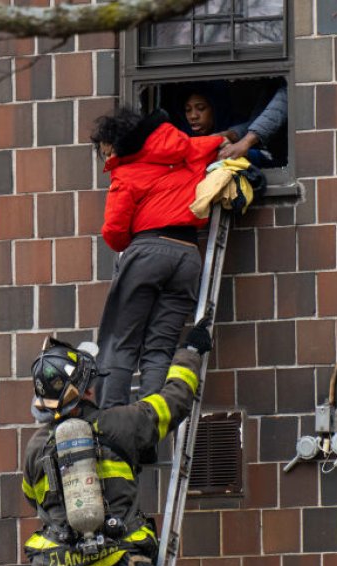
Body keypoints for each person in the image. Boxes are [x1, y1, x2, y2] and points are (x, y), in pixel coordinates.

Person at [22, 322, 213, 566]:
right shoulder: (121, 424)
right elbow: (173, 403)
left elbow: (33, 499)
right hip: (116, 565)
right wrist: (192, 352)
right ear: (87, 390)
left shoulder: (35, 448)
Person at [90, 107, 224, 408]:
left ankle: (115, 424)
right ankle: (148, 427)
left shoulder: (126, 171)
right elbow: (218, 143)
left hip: (148, 252)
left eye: (105, 150)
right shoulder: (188, 149)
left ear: (116, 142)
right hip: (188, 256)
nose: (106, 158)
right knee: (159, 349)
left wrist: (134, 241)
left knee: (119, 342)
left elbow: (114, 231)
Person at [182, 82, 288, 166]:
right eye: (187, 110)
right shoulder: (181, 138)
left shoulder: (238, 129)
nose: (193, 116)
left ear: (216, 109)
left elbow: (269, 158)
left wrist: (243, 150)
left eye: (201, 108)